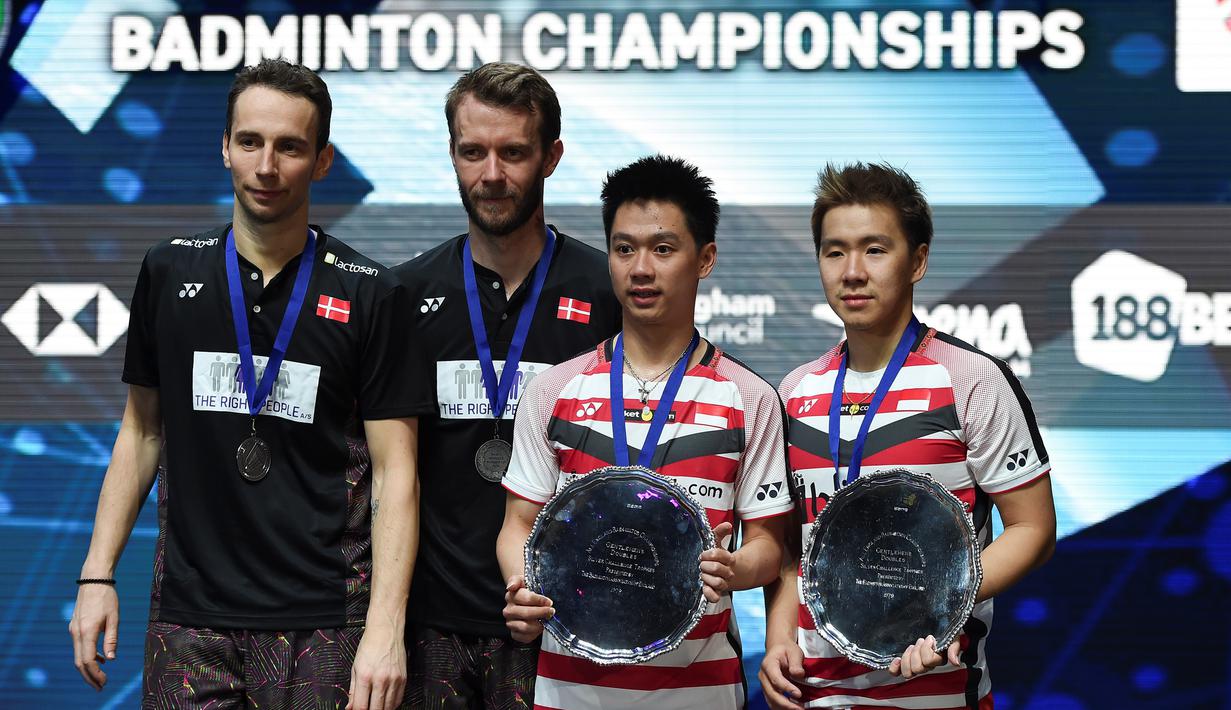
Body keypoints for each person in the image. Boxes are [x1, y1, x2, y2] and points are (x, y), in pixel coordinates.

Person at [67, 58, 426, 710]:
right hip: (189, 618)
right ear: (225, 147)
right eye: (251, 142)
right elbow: (142, 431)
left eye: (290, 146)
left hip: (324, 621)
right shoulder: (170, 272)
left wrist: (385, 628)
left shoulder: (371, 291)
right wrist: (97, 574)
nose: (267, 165)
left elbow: (395, 473)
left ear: (321, 161)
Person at [497, 155, 792, 709]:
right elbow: (518, 525)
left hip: (700, 693)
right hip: (570, 691)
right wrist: (525, 589)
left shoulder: (748, 398)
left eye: (662, 249)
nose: (640, 269)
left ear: (705, 259)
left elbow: (771, 549)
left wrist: (736, 568)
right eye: (624, 248)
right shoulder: (556, 390)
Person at [761, 162, 1056, 709]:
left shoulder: (971, 379)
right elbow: (788, 546)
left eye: (875, 249)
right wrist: (778, 635)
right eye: (834, 251)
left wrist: (934, 605)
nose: (852, 271)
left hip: (934, 690)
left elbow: (1033, 529)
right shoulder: (794, 390)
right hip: (815, 697)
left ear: (917, 260)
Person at [392, 62, 620, 708]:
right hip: (430, 630)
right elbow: (386, 474)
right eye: (473, 152)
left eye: (513, 152)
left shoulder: (609, 291)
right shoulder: (404, 294)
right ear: (451, 153)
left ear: (551, 157)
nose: (491, 174)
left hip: (566, 627)